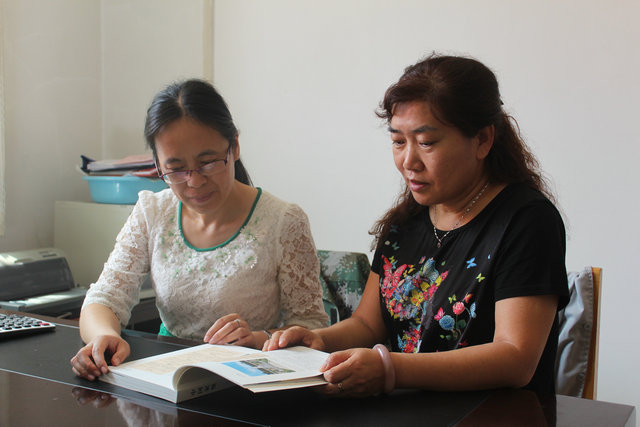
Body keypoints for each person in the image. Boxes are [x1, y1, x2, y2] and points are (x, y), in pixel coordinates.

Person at [264, 54, 569, 397]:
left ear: (483, 139)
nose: (408, 161)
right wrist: (319, 340)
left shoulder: (526, 220)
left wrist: (390, 369)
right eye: (398, 141)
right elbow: (367, 323)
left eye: (426, 143)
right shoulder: (406, 222)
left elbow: (515, 357)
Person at [71, 79, 328, 381]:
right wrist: (103, 336)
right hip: (168, 377)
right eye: (176, 169)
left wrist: (259, 339)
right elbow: (105, 298)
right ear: (157, 165)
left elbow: (311, 327)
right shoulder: (152, 212)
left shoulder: (283, 220)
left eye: (208, 163)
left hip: (248, 381)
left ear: (234, 147)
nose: (194, 182)